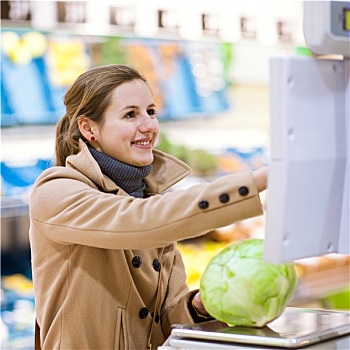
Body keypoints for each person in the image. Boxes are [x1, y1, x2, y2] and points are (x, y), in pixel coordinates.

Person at [29, 64, 268, 350]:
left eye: (151, 112)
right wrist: (258, 181)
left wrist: (201, 305)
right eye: (130, 114)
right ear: (88, 128)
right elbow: (138, 221)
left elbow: (168, 320)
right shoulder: (56, 191)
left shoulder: (148, 198)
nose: (149, 126)